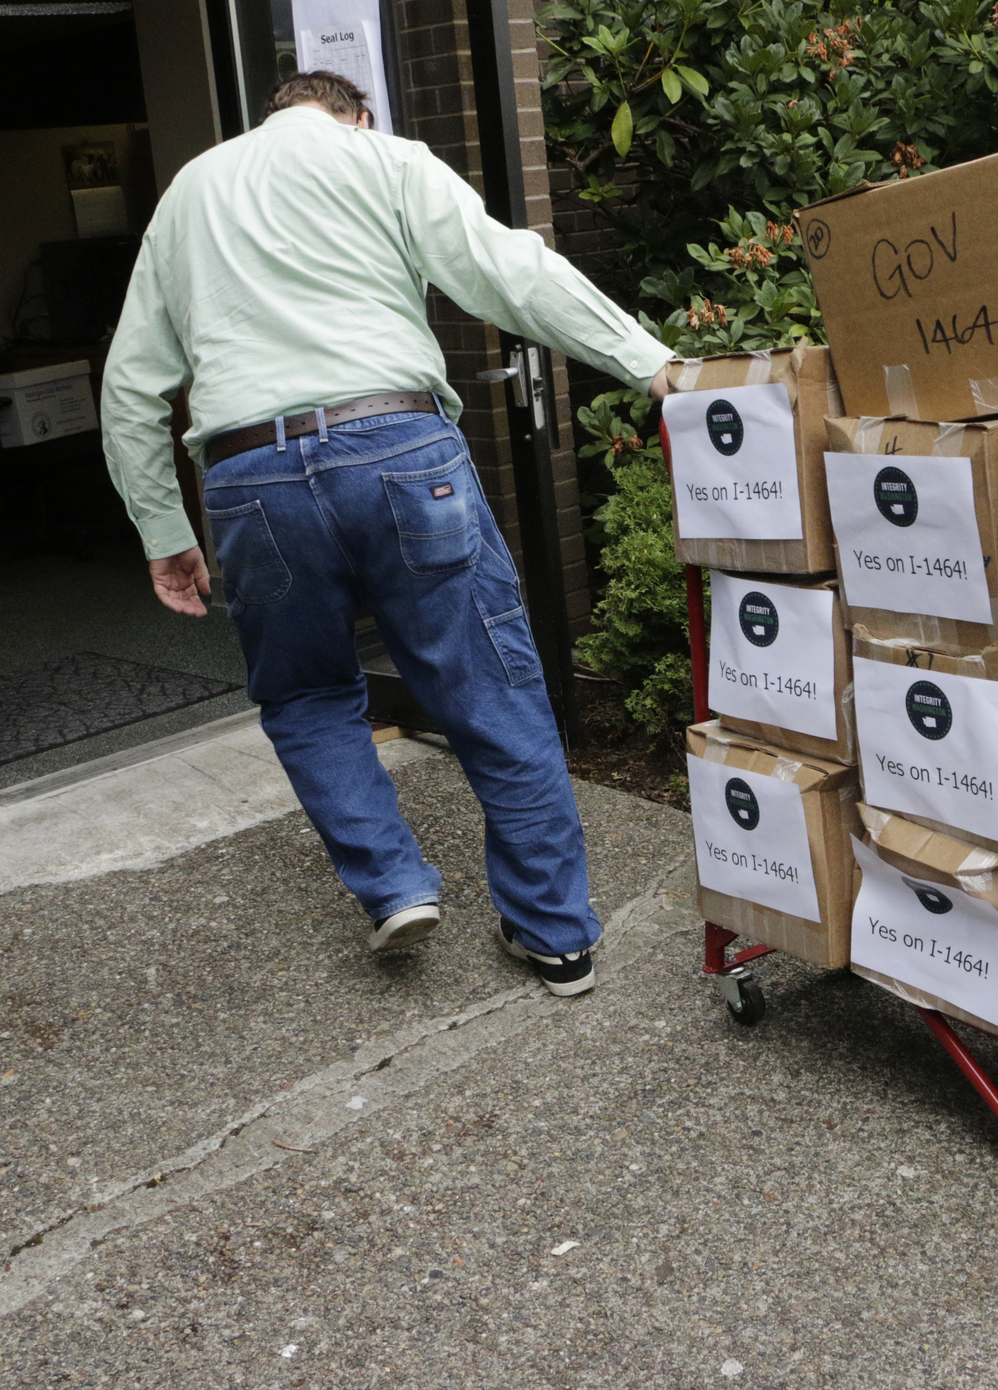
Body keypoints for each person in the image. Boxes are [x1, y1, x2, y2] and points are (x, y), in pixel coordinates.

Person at [100, 70, 673, 995]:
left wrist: (163, 528)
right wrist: (654, 367)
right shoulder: (386, 160)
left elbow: (131, 385)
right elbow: (511, 272)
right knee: (491, 687)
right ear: (357, 116)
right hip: (400, 445)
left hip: (250, 476)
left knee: (306, 693)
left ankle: (395, 884)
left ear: (275, 112)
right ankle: (556, 937)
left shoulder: (190, 192)